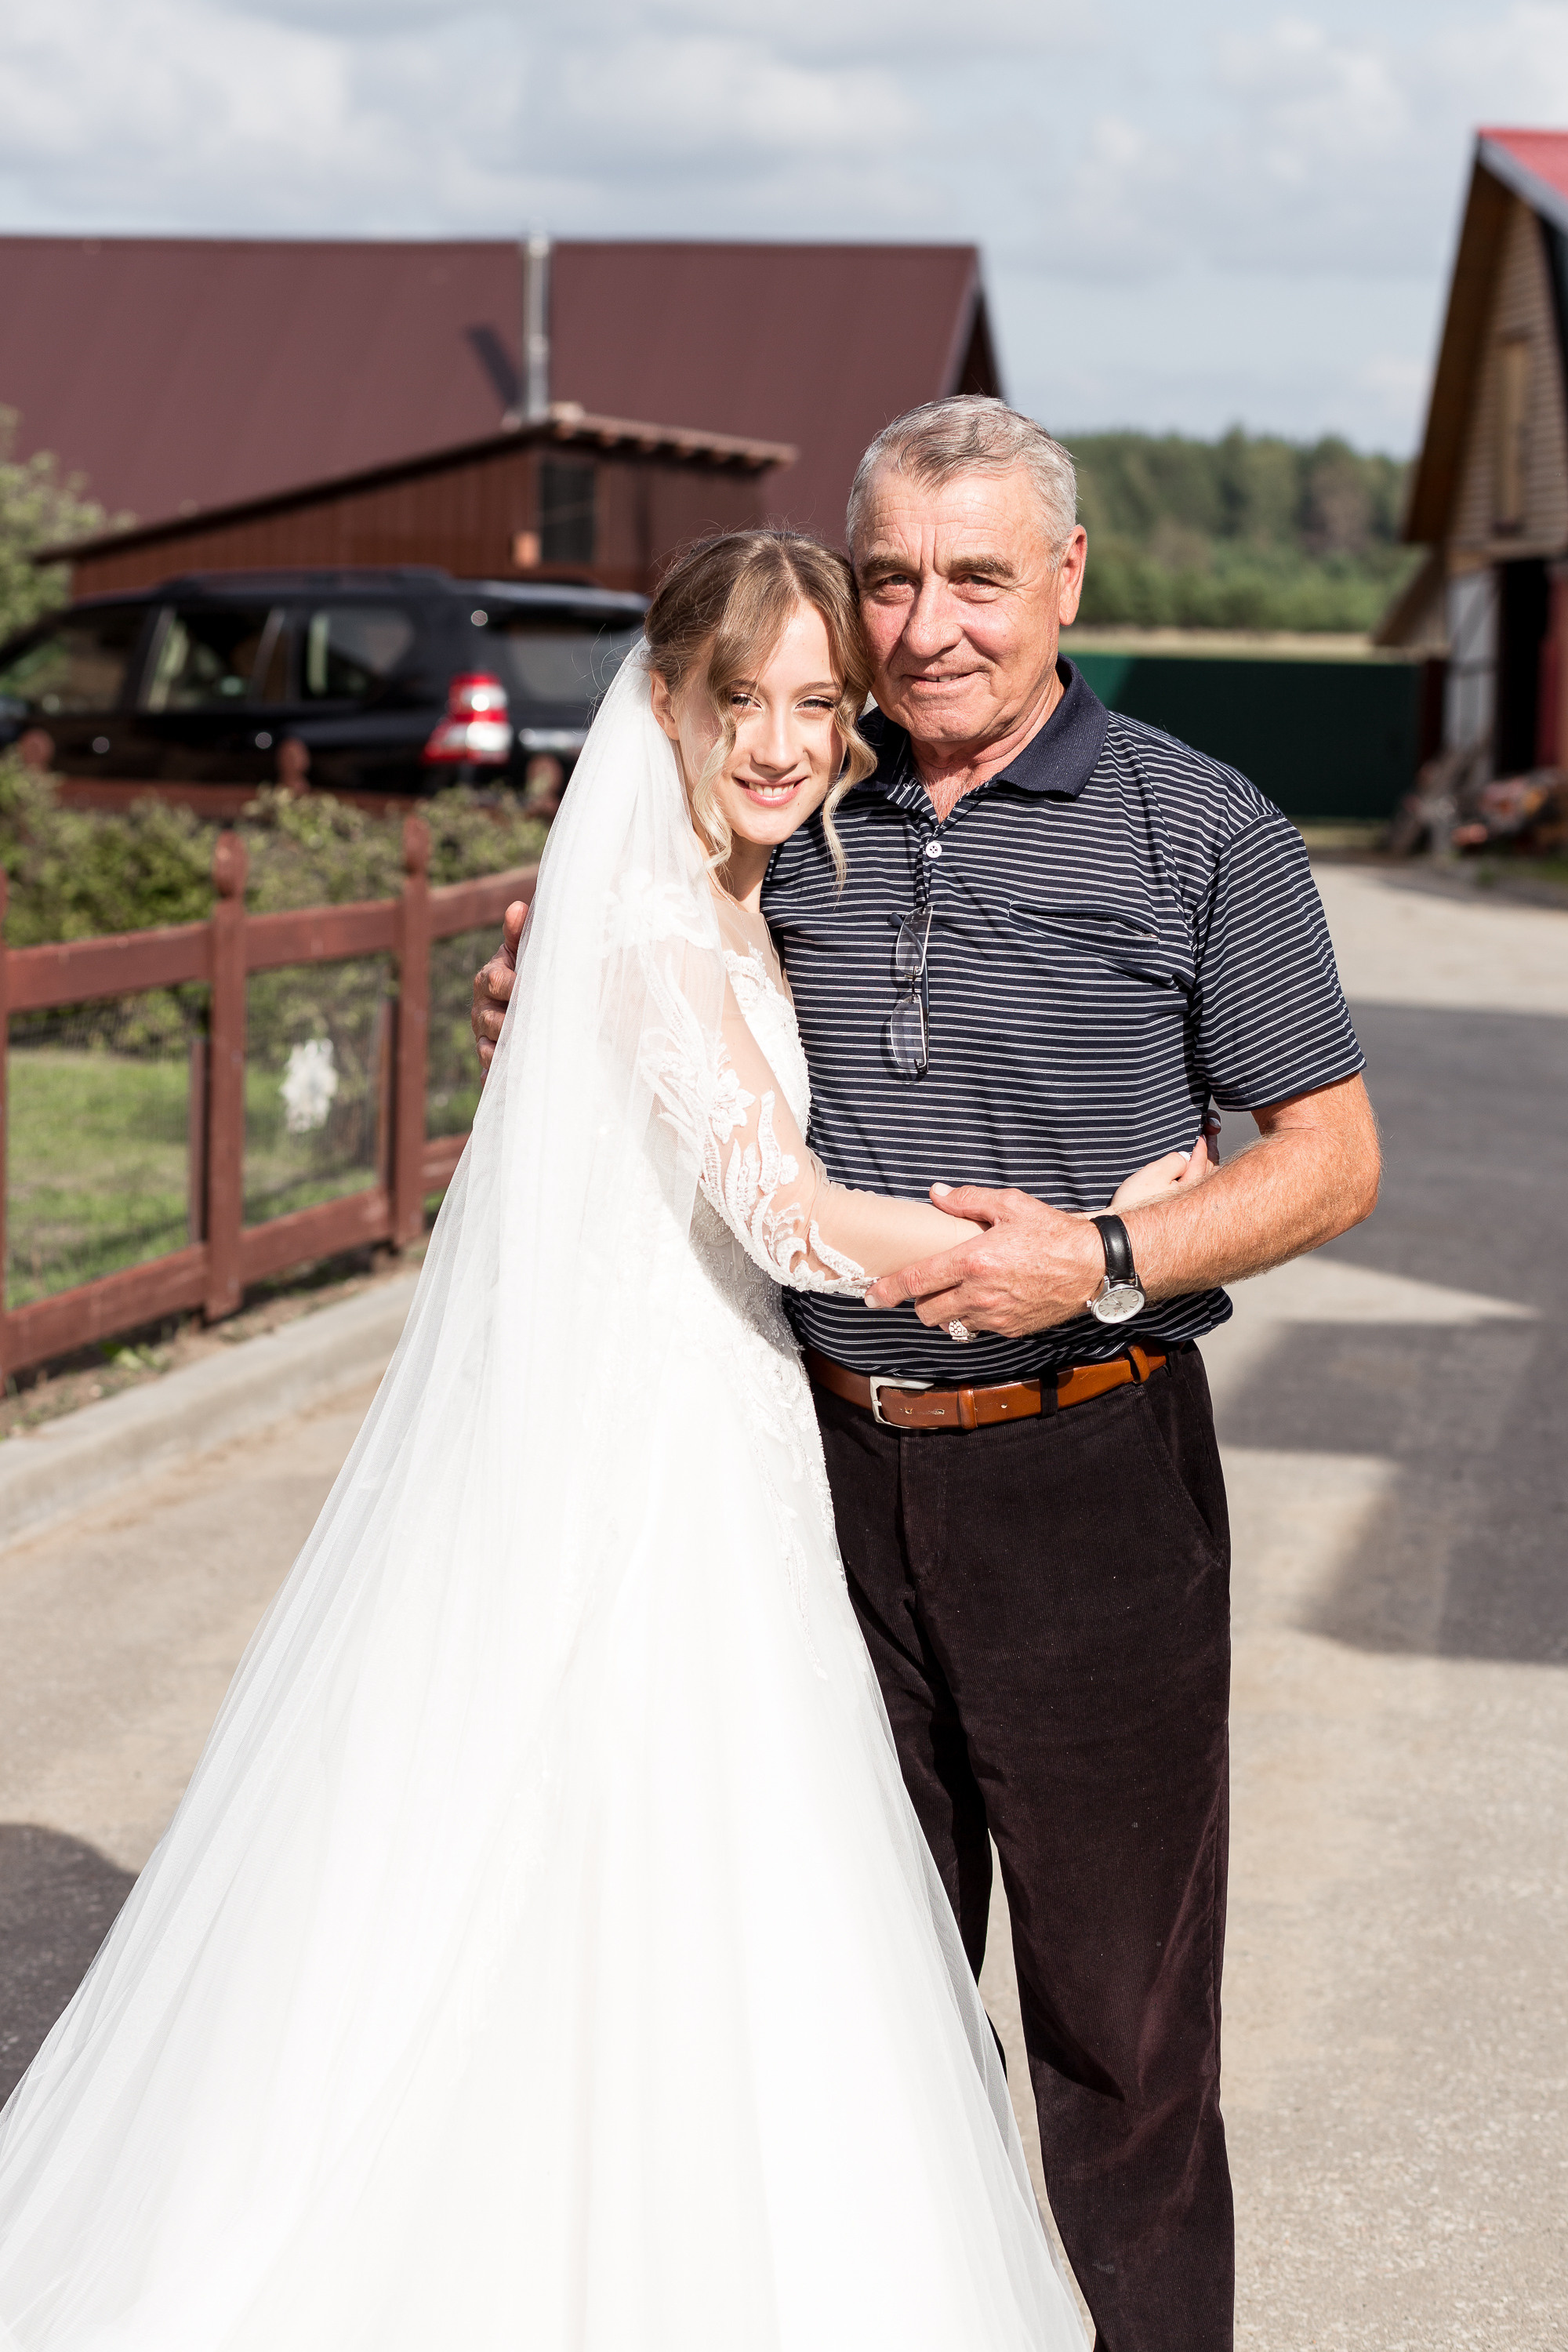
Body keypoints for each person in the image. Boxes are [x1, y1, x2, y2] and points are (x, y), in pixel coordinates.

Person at [0, 529, 1199, 2350]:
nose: (788, 742)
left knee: (701, 1888)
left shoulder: (741, 899)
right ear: (664, 705)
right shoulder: (637, 923)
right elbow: (793, 1218)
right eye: (748, 701)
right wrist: (1084, 1248)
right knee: (604, 1848)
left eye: (819, 701)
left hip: (733, 1437)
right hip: (644, 1462)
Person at [474, 401, 1381, 2352]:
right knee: (837, 2005)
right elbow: (648, 982)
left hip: (1090, 1483)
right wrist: (537, 995)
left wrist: (1117, 1253)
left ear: (1066, 579)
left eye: (977, 575)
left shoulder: (1197, 823)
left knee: (1118, 2034)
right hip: (809, 1487)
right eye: (891, 576)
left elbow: (1331, 1156)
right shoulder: (801, 805)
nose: (927, 623)